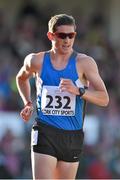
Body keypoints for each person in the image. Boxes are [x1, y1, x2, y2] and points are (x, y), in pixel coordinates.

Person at [16, 14, 109, 179]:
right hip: (45, 130)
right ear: (51, 35)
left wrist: (79, 91)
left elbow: (104, 98)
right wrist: (28, 102)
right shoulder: (36, 60)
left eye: (71, 35)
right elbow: (21, 78)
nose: (67, 40)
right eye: (62, 35)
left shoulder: (84, 63)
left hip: (72, 136)